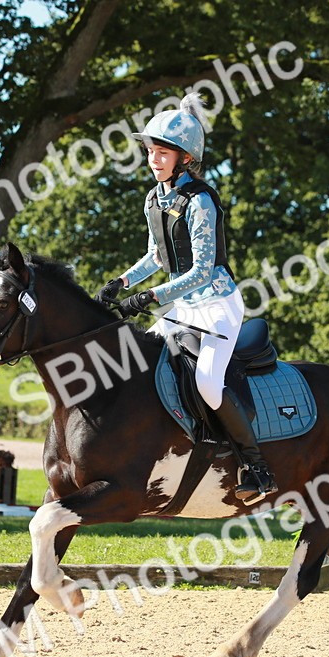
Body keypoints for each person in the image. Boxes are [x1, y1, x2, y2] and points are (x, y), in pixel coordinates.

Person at [95, 93, 277, 504]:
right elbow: (157, 256)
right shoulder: (153, 198)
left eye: (162, 153)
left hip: (216, 306)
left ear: (185, 157)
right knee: (142, 363)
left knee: (208, 383)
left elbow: (201, 271)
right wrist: (121, 282)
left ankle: (256, 466)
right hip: (183, 305)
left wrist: (148, 298)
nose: (154, 160)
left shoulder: (201, 201)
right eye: (150, 152)